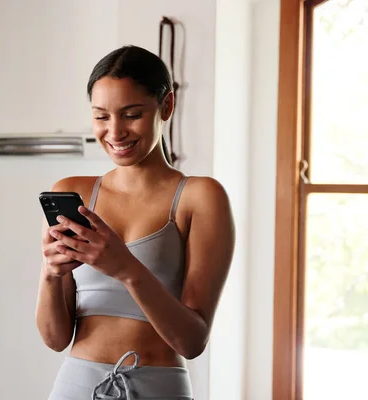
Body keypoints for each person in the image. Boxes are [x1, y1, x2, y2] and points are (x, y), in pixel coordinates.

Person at [36, 45, 235, 400]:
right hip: (76, 387)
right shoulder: (72, 192)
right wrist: (52, 274)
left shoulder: (200, 197)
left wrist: (125, 267)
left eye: (131, 114)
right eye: (101, 117)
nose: (115, 132)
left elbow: (191, 342)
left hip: (159, 387)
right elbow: (54, 339)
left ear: (167, 106)